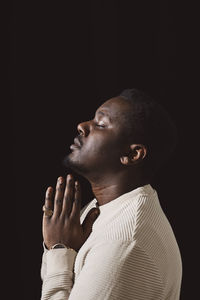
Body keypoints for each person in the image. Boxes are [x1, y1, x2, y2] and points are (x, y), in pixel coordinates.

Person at [41, 89, 182, 300]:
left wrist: (59, 250)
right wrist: (63, 251)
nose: (82, 126)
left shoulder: (123, 240)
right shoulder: (103, 208)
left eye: (101, 124)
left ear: (132, 154)